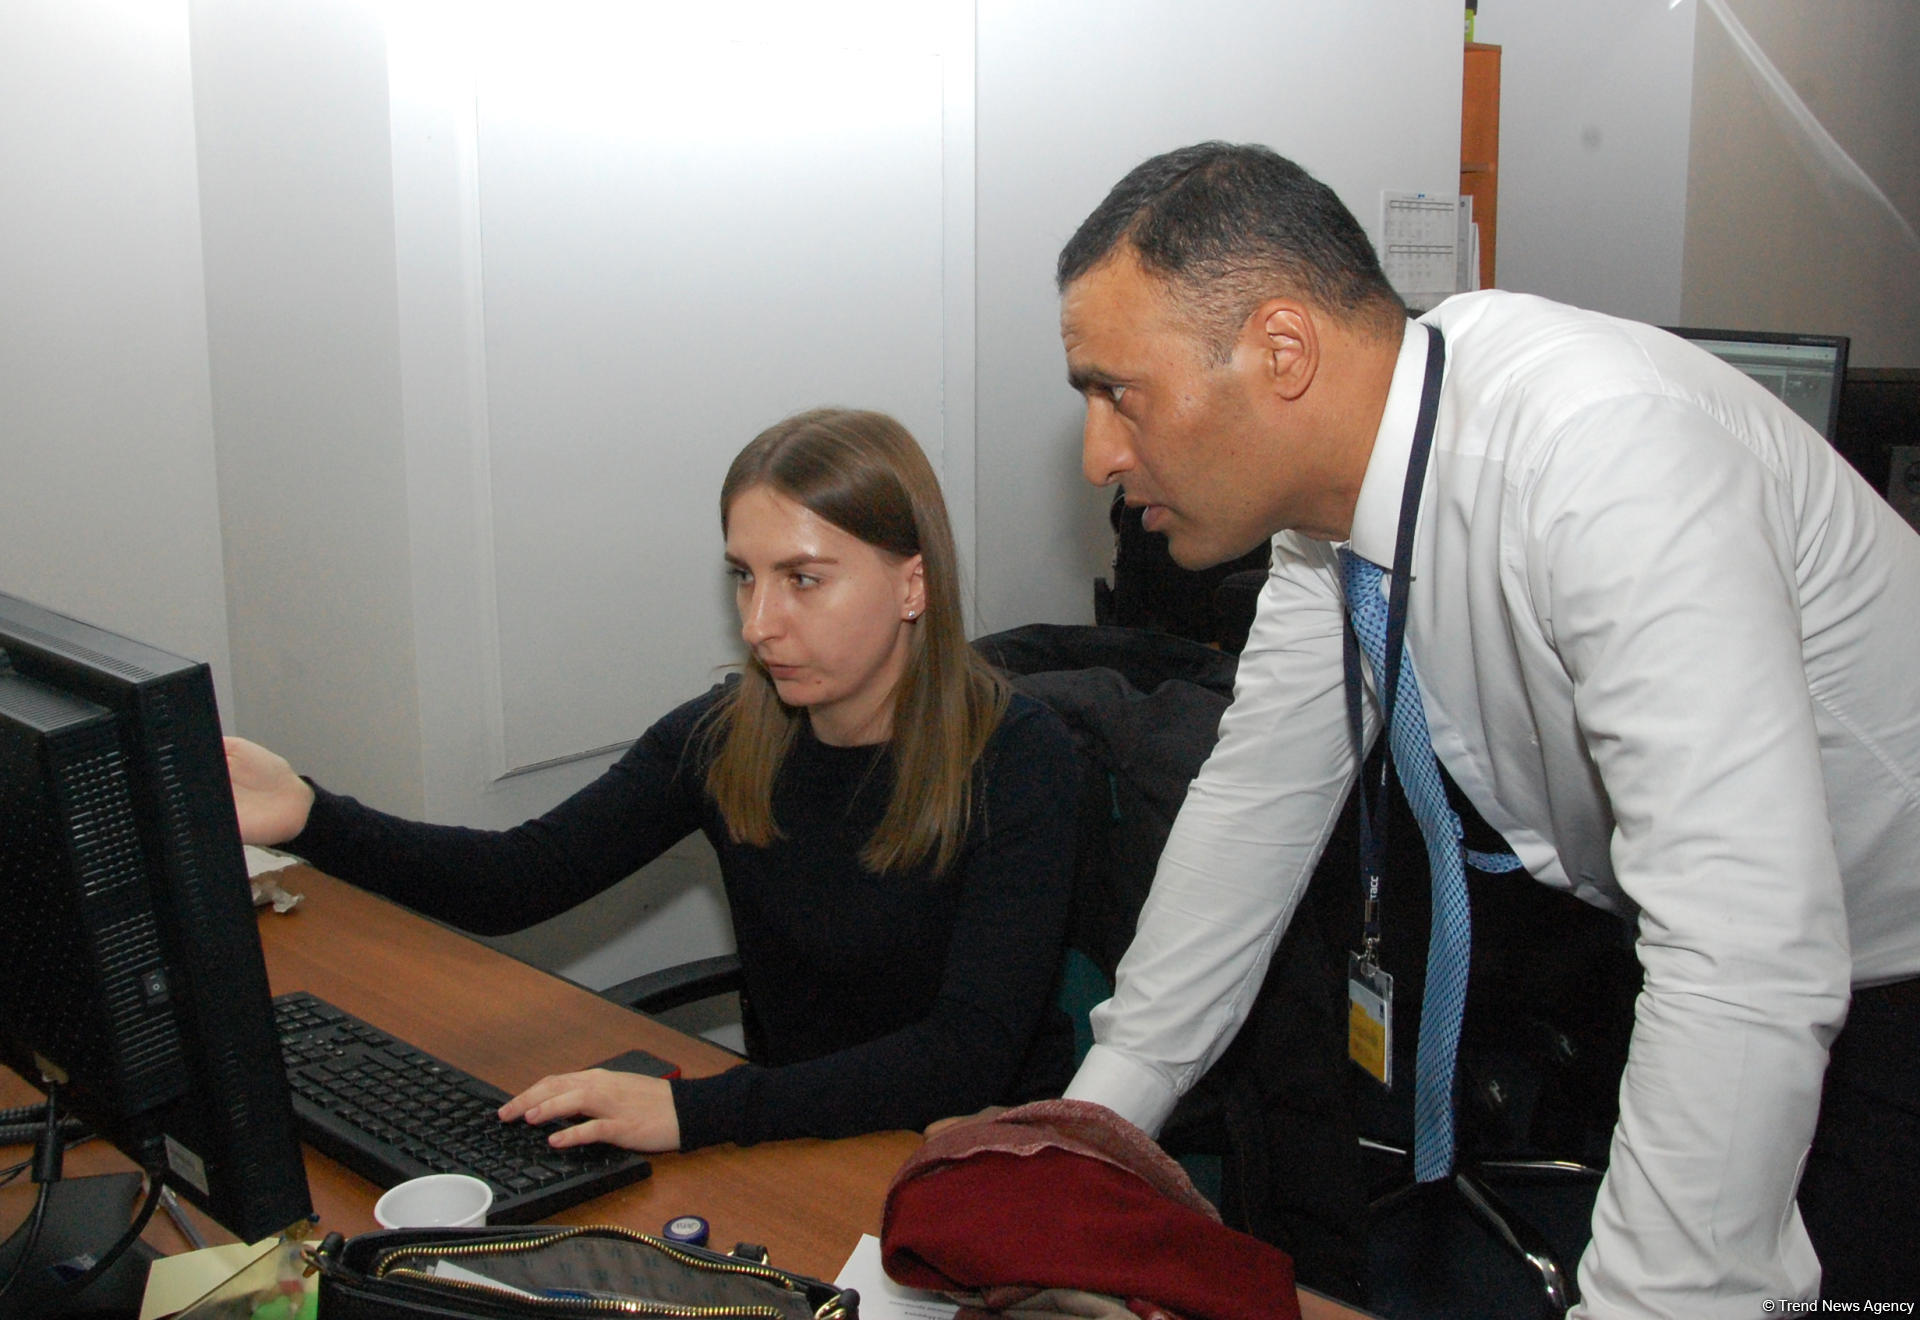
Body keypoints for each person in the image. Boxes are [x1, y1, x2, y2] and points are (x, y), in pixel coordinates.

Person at [1051, 142, 1920, 1313]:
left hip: (1886, 959)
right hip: (1723, 949)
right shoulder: (1341, 516)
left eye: (1119, 391)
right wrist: (1096, 1130)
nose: (1102, 452)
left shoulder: (1603, 455)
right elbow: (1252, 808)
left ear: (1282, 350)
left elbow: (1747, 949)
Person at [227, 406, 1080, 1155]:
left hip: (967, 1155)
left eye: (803, 580)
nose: (758, 623)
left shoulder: (1019, 757)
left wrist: (693, 1112)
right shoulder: (725, 738)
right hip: (794, 1138)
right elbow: (514, 879)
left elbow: (966, 1055)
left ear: (912, 585)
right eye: (745, 577)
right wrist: (307, 814)